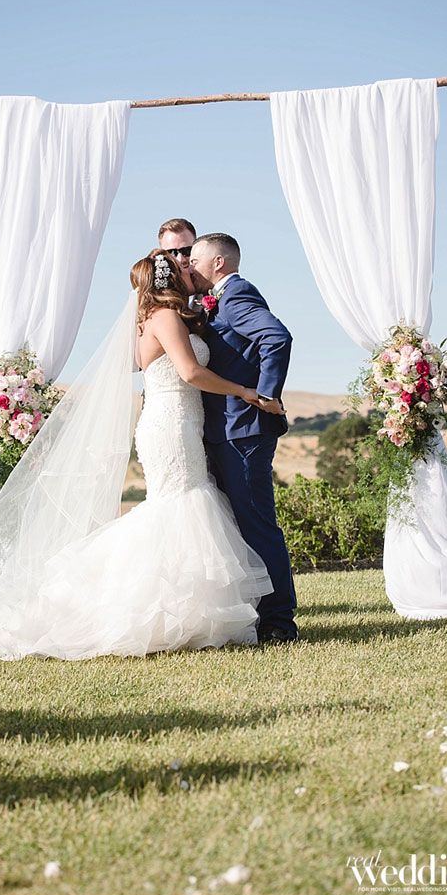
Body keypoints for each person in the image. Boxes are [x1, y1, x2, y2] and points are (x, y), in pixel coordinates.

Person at [0, 250, 275, 660]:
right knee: (177, 505)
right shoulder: (164, 317)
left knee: (181, 504)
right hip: (170, 423)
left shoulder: (159, 318)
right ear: (169, 278)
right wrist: (244, 391)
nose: (190, 270)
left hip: (180, 421)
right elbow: (189, 372)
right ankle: (155, 609)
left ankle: (187, 613)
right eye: (184, 267)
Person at [189, 233, 300, 643]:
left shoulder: (235, 296)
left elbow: (277, 337)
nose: (190, 267)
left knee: (257, 525)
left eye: (195, 259)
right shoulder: (214, 300)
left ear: (218, 262)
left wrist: (267, 394)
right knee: (237, 525)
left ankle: (279, 621)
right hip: (225, 430)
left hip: (244, 431)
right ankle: (255, 613)